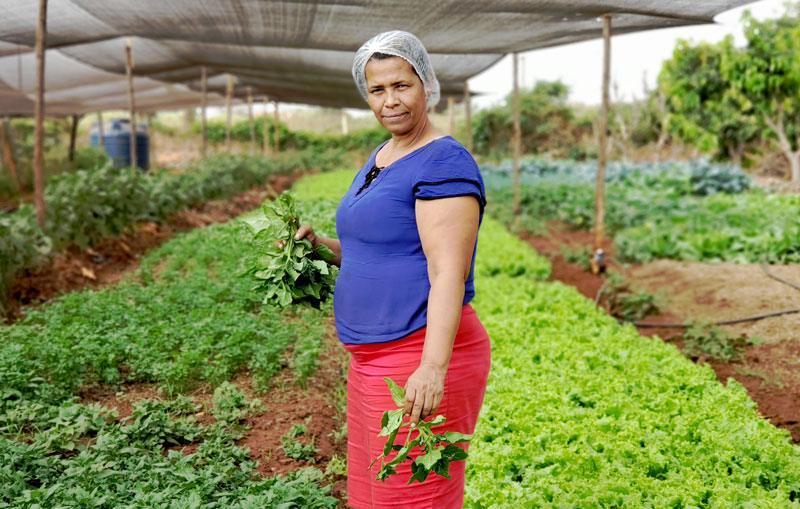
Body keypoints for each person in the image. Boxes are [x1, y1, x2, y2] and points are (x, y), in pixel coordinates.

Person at [289, 30, 490, 508]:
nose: (390, 101)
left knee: (412, 497)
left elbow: (447, 273)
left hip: (417, 353)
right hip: (370, 359)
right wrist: (317, 247)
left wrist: (431, 368)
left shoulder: (443, 162)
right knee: (373, 494)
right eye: (377, 90)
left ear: (425, 84)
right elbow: (374, 251)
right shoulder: (382, 156)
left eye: (402, 85)